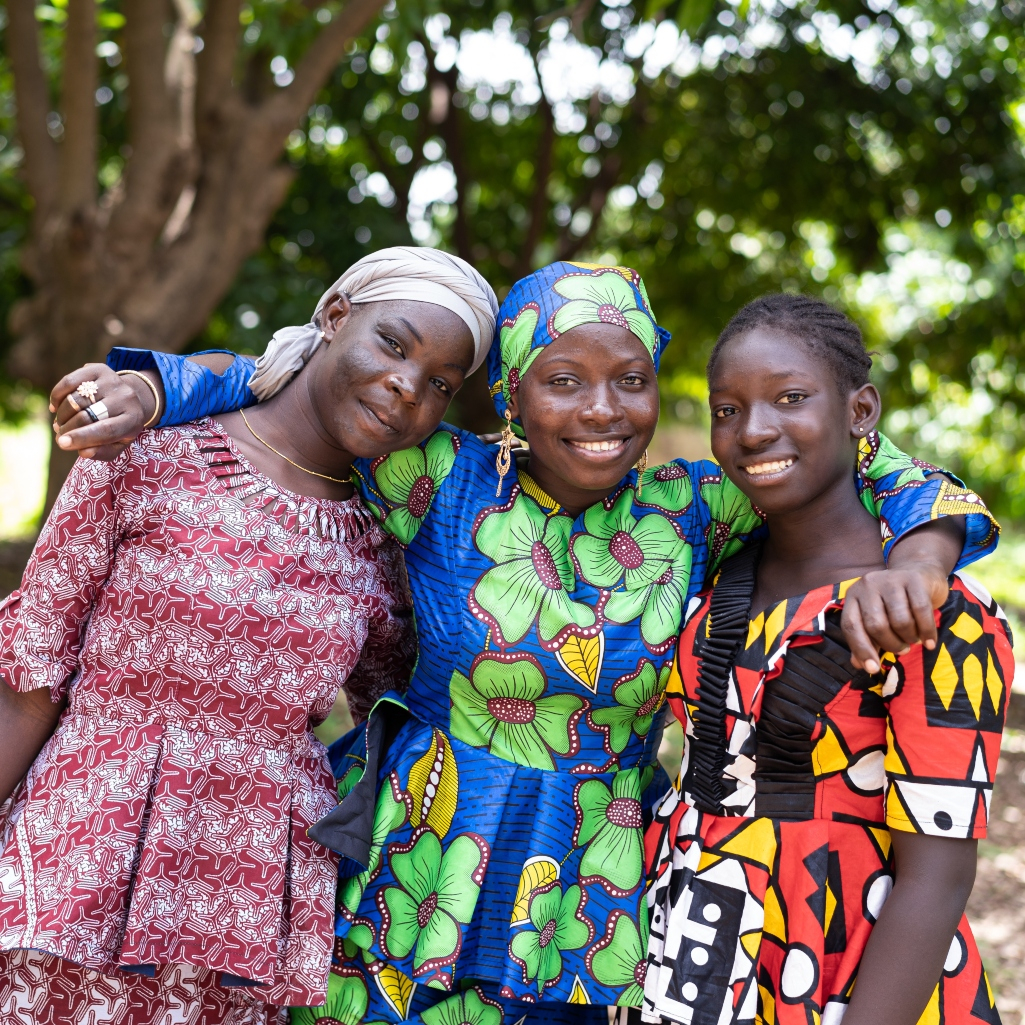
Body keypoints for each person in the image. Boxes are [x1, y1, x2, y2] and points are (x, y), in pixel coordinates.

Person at [50, 262, 995, 1025]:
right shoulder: (436, 475)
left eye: (630, 380)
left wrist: (924, 552)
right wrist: (155, 382)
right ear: (509, 396)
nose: (601, 410)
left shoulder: (691, 503)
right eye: (562, 380)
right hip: (414, 855)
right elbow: (297, 384)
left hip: (588, 881)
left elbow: (861, 460)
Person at [0, 247, 499, 1024]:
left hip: (246, 908)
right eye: (393, 345)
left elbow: (401, 719)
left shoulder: (383, 542)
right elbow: (30, 680)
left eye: (441, 383)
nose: (408, 385)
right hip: (76, 861)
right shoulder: (147, 454)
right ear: (334, 317)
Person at [641, 294, 1008, 1025]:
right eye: (726, 409)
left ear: (859, 409)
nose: (754, 429)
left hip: (847, 972)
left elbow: (935, 879)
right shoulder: (714, 581)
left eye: (790, 397)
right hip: (696, 961)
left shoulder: (924, 610)